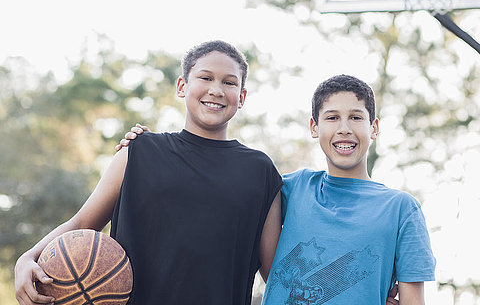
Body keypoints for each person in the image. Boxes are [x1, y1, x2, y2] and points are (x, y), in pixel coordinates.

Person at [119, 74, 436, 304]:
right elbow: (215, 185)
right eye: (332, 117)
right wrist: (148, 149)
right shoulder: (290, 187)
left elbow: (412, 299)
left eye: (356, 117)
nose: (344, 128)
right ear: (314, 128)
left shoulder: (401, 209)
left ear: (374, 128)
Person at [14, 40, 283, 305]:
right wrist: (28, 258)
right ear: (182, 86)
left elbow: (276, 275)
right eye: (206, 77)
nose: (216, 89)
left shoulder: (261, 171)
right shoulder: (138, 151)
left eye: (229, 82)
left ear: (242, 97)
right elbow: (82, 224)